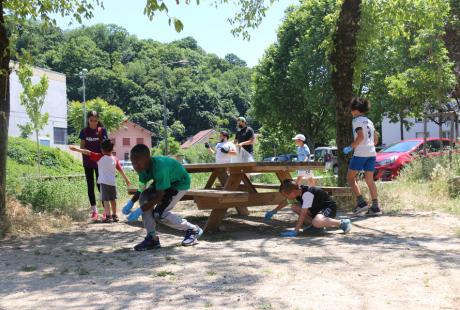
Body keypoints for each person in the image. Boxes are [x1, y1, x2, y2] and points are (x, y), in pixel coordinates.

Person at [123, 144, 203, 251]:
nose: (135, 166)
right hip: (165, 183)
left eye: (137, 162)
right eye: (133, 162)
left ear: (147, 158)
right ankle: (152, 238)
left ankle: (193, 229)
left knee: (159, 214)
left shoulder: (160, 168)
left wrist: (139, 210)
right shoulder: (142, 169)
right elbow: (141, 189)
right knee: (144, 196)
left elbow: (158, 197)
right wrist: (131, 202)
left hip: (179, 183)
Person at [70, 140, 131, 223]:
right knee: (113, 200)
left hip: (104, 183)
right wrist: (127, 180)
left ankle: (108, 217)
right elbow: (121, 170)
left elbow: (88, 152)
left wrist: (76, 150)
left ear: (102, 149)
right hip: (113, 183)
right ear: (112, 149)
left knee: (105, 200)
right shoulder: (115, 159)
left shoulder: (99, 157)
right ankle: (115, 215)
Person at [264, 179, 351, 237]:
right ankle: (318, 226)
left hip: (328, 208)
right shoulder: (299, 190)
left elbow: (303, 214)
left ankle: (342, 223)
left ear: (293, 192)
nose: (285, 196)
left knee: (317, 221)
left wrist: (296, 231)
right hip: (317, 211)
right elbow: (286, 202)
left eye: (286, 194)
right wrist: (273, 211)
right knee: (294, 206)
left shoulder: (307, 194)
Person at [343, 97, 382, 216]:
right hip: (372, 152)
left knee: (350, 178)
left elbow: (360, 137)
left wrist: (350, 147)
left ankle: (361, 203)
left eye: (351, 110)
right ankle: (375, 207)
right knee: (370, 180)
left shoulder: (356, 121)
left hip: (361, 153)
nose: (351, 112)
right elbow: (375, 140)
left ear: (356, 110)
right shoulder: (370, 121)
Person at [79, 111, 108, 221]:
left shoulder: (102, 130)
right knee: (90, 185)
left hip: (100, 162)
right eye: (91, 120)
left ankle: (106, 211)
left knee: (101, 185)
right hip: (88, 162)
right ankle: (94, 211)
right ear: (88, 120)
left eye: (96, 121)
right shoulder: (84, 131)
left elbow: (106, 146)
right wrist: (90, 154)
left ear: (98, 120)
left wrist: (101, 155)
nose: (94, 123)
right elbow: (82, 148)